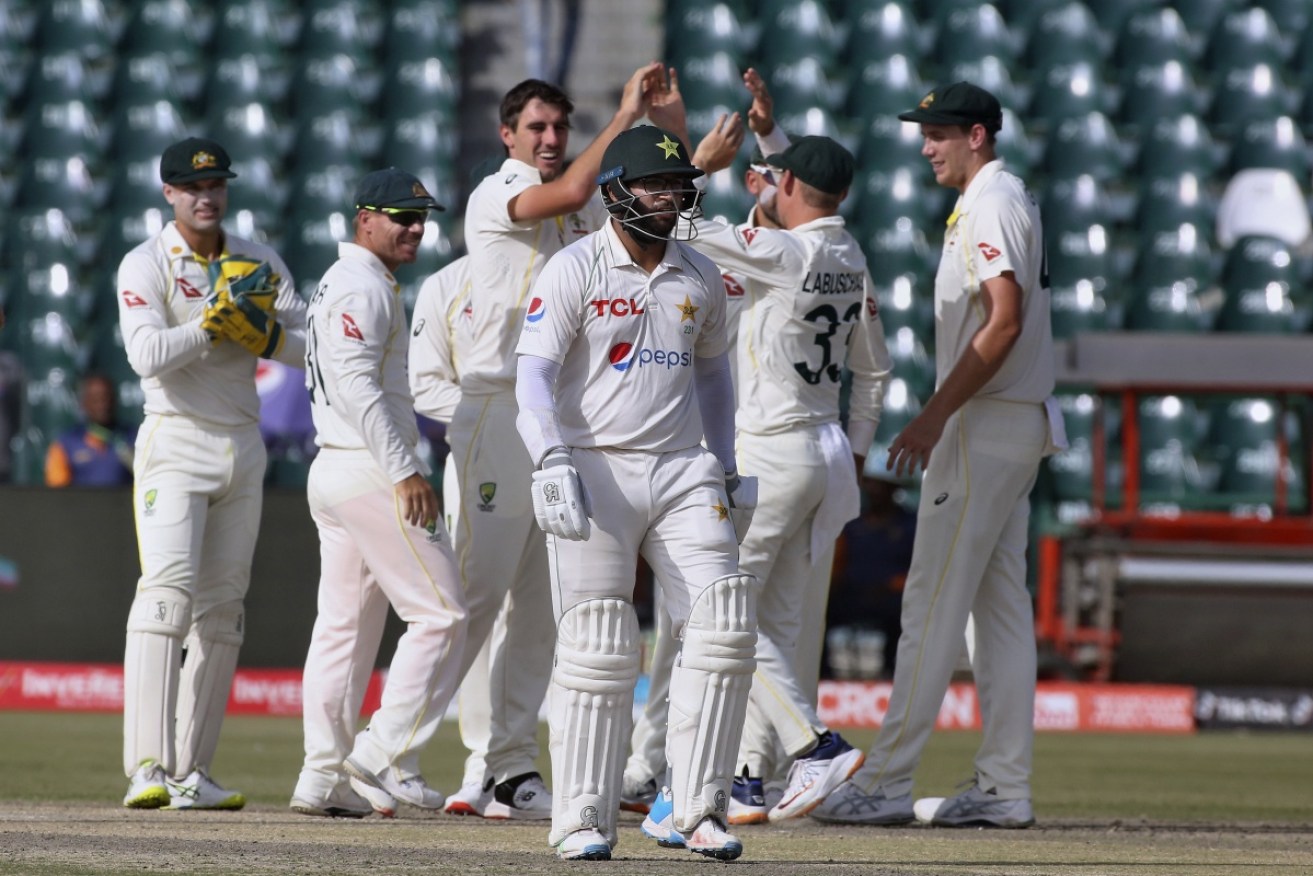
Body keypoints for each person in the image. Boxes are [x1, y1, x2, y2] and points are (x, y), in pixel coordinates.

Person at [810, 81, 1065, 828]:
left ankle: (886, 781)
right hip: (1009, 423)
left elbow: (1004, 319)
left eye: (938, 133)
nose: (925, 146)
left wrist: (932, 415)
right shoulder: (998, 199)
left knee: (930, 604)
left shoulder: (990, 203)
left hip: (982, 424)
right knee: (999, 609)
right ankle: (1003, 787)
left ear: (977, 136)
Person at [653, 68, 892, 826]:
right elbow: (875, 374)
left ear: (789, 188)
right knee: (780, 621)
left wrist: (698, 169)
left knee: (721, 612)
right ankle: (752, 776)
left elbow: (680, 225)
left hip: (771, 450)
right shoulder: (850, 258)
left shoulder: (781, 255)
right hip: (825, 454)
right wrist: (852, 456)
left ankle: (811, 747)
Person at [515, 124, 758, 861]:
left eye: (679, 183)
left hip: (682, 466)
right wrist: (550, 458)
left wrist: (723, 463)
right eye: (655, 183)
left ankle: (698, 808)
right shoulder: (572, 268)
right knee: (597, 640)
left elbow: (713, 375)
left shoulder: (698, 274)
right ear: (616, 190)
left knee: (721, 623)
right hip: (594, 468)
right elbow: (530, 377)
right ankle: (583, 817)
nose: (671, 194)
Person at [434, 64, 662, 820]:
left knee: (535, 609)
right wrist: (625, 112)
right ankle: (380, 752)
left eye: (559, 128)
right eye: (536, 127)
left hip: (554, 418)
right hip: (495, 407)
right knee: (473, 598)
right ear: (507, 135)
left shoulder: (576, 215)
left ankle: (504, 770)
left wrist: (664, 129)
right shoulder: (499, 191)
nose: (550, 139)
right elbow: (568, 193)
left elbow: (648, 212)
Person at [117, 136, 306, 809]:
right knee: (165, 599)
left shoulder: (254, 257)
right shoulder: (145, 264)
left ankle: (192, 773)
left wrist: (269, 338)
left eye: (216, 185)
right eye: (192, 187)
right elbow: (145, 355)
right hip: (175, 441)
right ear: (168, 193)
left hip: (242, 444)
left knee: (223, 615)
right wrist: (213, 325)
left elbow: (315, 344)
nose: (206, 196)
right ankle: (146, 766)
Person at [290, 168, 468, 819]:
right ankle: (380, 752)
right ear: (364, 217)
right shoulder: (362, 287)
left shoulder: (342, 283)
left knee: (342, 630)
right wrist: (404, 470)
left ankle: (321, 776)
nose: (414, 228)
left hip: (335, 468)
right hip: (370, 468)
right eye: (401, 216)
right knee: (443, 614)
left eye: (420, 218)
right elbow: (359, 388)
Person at [825, 464, 917, 680]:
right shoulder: (852, 524)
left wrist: (897, 584)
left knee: (902, 617)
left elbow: (918, 569)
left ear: (893, 488)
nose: (873, 489)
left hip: (893, 596)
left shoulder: (910, 525)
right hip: (852, 595)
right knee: (820, 611)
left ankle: (892, 674)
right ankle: (824, 675)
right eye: (870, 483)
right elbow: (838, 566)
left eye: (880, 484)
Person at [44, 373, 135, 487]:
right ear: (84, 403)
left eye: (106, 398)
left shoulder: (133, 438)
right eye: (96, 400)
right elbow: (56, 489)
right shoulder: (66, 443)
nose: (103, 405)